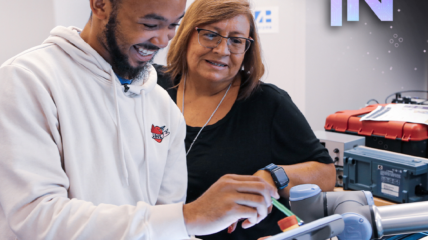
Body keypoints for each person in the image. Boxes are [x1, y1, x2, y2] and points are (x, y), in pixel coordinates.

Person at [0, 0, 279, 239]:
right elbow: (35, 220)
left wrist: (191, 221)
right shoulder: (27, 80)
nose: (162, 41)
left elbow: (165, 227)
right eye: (150, 24)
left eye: (172, 25)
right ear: (100, 4)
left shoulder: (161, 106)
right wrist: (189, 217)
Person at [156, 0, 337, 239]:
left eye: (236, 40)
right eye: (211, 35)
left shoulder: (269, 103)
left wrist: (274, 176)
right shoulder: (152, 88)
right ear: (188, 34)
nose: (222, 50)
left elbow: (326, 173)